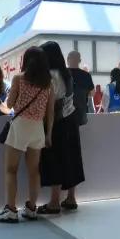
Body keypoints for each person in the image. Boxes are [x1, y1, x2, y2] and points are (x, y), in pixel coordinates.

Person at [0, 47, 55, 223]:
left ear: (25, 61)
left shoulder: (19, 79)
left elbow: (9, 104)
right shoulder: (48, 83)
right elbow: (50, 112)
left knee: (11, 169)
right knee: (34, 171)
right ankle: (31, 208)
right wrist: (49, 134)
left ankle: (11, 210)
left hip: (20, 127)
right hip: (38, 129)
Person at [37, 41, 84, 214]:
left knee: (54, 159)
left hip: (56, 122)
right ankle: (71, 198)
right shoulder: (67, 74)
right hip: (71, 120)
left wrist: (47, 132)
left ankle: (54, 202)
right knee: (72, 158)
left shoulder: (49, 76)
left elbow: (50, 106)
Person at [67, 51, 95, 118]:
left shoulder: (62, 74)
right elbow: (92, 93)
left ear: (67, 59)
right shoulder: (86, 75)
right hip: (82, 112)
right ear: (80, 61)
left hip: (66, 112)